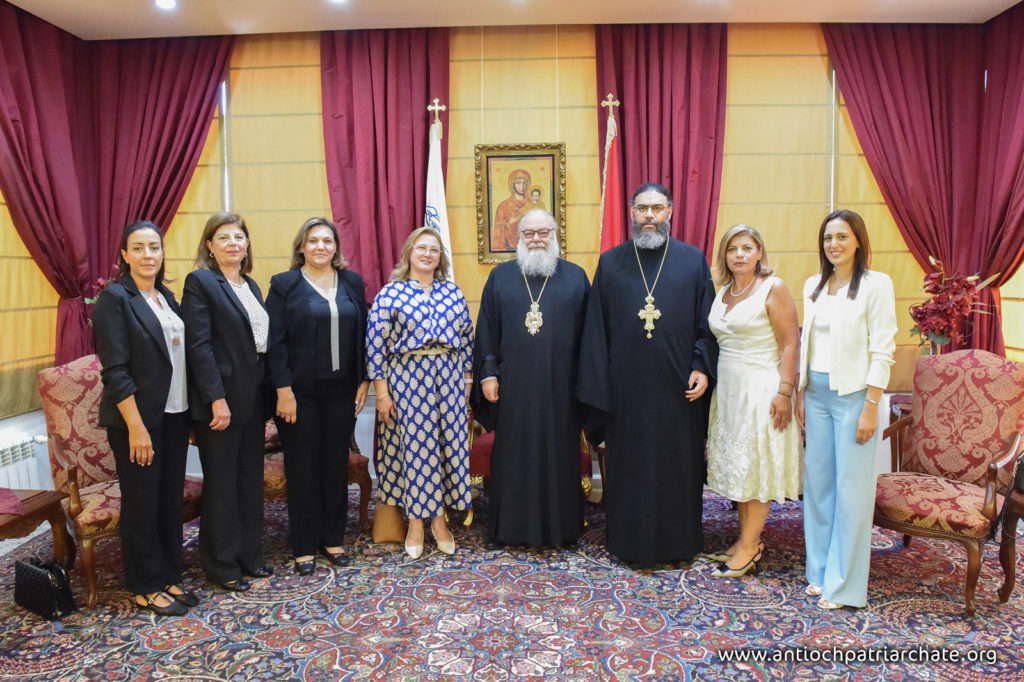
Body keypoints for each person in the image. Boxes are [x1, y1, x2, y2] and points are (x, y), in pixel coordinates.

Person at [578, 182, 718, 567]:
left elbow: (707, 324)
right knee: (630, 469)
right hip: (627, 394)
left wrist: (702, 366)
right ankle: (627, 542)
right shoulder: (611, 263)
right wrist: (601, 390)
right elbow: (595, 332)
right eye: (643, 208)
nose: (650, 216)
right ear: (632, 212)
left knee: (679, 467)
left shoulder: (693, 261)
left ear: (670, 211)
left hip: (678, 392)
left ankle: (680, 544)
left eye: (657, 208)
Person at [93, 220, 196, 616]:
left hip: (173, 415)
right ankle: (144, 585)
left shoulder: (167, 298)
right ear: (124, 254)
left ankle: (168, 575)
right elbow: (115, 371)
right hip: (138, 421)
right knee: (141, 503)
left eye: (154, 247)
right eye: (138, 248)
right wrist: (136, 427)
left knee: (168, 499)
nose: (148, 255)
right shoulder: (115, 299)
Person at [795, 209, 897, 610]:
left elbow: (883, 349)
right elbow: (808, 345)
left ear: (858, 240)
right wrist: (801, 393)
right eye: (827, 238)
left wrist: (871, 406)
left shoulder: (877, 285)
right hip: (816, 397)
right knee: (818, 488)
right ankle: (820, 572)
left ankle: (845, 585)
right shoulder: (813, 286)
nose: (833, 244)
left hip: (856, 398)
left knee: (852, 491)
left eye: (841, 236)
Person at [472, 209, 590, 548]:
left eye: (543, 232)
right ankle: (511, 529)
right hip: (514, 388)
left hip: (562, 389)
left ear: (555, 235)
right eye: (529, 233)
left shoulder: (576, 277)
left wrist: (583, 385)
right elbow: (487, 330)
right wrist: (488, 374)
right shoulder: (501, 277)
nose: (536, 239)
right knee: (514, 456)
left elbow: (588, 337)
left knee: (559, 456)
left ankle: (561, 529)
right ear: (517, 237)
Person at [267, 218, 370, 575]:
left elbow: (363, 335)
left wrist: (364, 379)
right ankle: (305, 544)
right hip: (298, 394)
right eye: (313, 241)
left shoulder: (352, 282)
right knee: (303, 467)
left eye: (327, 241)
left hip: (342, 391)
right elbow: (274, 342)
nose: (321, 247)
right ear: (301, 247)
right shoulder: (284, 285)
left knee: (334, 464)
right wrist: (282, 390)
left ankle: (332, 537)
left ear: (335, 247)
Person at [366, 227, 474, 559]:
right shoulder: (391, 294)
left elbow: (467, 340)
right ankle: (416, 523)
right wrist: (382, 394)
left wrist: (466, 388)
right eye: (422, 248)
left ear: (440, 258)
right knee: (415, 450)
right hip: (407, 381)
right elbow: (375, 347)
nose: (428, 254)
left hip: (451, 380)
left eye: (434, 250)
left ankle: (440, 522)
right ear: (409, 253)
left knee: (445, 448)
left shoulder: (452, 293)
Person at [182, 211, 273, 592]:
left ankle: (249, 556)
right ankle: (221, 566)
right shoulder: (201, 282)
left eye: (239, 237)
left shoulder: (250, 286)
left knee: (249, 483)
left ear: (247, 243)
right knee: (222, 486)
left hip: (252, 402)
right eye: (223, 238)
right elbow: (199, 347)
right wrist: (216, 399)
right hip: (220, 405)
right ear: (209, 246)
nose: (233, 243)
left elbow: (258, 347)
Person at [705, 224, 802, 578]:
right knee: (741, 466)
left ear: (759, 251)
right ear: (724, 256)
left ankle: (749, 546)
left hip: (762, 390)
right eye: (733, 249)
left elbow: (790, 342)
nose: (740, 255)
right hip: (729, 392)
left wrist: (785, 392)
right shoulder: (724, 292)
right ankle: (745, 538)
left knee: (757, 465)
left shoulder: (773, 288)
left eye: (747, 247)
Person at [492, 169, 531, 251]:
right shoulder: (503, 207)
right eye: (518, 183)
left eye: (525, 183)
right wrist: (509, 224)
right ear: (512, 185)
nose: (522, 186)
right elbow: (499, 232)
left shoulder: (533, 205)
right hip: (510, 246)